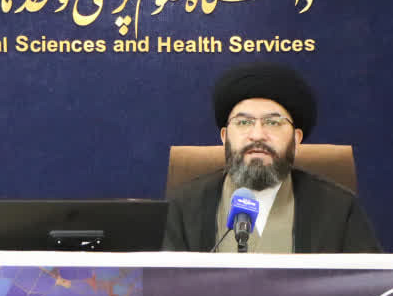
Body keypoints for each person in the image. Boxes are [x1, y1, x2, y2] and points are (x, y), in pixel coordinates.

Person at [163, 62, 381, 253]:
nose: (257, 134)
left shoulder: (340, 210)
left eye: (273, 122)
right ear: (224, 136)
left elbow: (367, 284)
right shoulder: (183, 207)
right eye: (243, 122)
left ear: (296, 139)